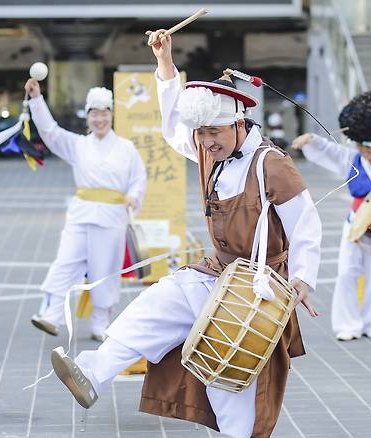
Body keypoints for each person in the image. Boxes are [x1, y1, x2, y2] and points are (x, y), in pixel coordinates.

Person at [47, 30, 321, 438]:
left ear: (238, 123)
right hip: (216, 273)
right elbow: (174, 125)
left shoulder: (273, 165)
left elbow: (307, 224)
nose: (206, 142)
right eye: (202, 133)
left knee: (229, 377)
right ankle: (91, 371)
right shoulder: (206, 146)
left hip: (257, 288)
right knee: (151, 307)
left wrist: (302, 278)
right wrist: (164, 64)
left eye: (215, 133)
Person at [292, 90, 371, 341]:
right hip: (355, 224)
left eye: (369, 145)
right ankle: (347, 325)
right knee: (346, 273)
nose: (364, 150)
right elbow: (330, 150)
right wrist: (311, 140)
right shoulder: (352, 157)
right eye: (360, 144)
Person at [25, 79, 147, 342]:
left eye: (104, 113)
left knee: (104, 270)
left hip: (112, 216)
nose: (99, 119)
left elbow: (139, 178)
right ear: (88, 117)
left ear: (111, 115)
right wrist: (36, 100)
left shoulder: (126, 148)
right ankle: (52, 313)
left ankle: (100, 322)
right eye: (94, 114)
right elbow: (50, 132)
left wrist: (134, 196)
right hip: (81, 213)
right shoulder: (78, 144)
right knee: (65, 261)